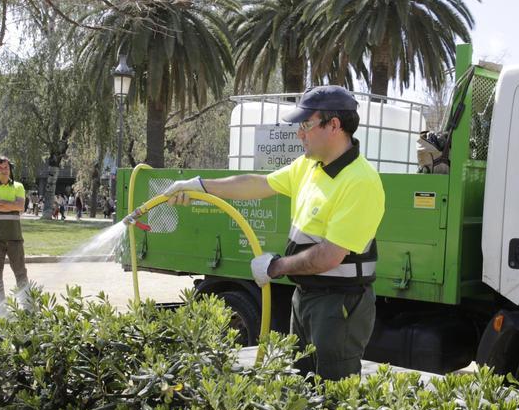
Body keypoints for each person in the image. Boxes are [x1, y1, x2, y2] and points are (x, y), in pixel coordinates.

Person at [164, 86, 385, 380]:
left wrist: (275, 267)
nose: (300, 134)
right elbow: (258, 184)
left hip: (339, 306)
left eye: (306, 125)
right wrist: (201, 186)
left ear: (334, 125)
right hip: (306, 296)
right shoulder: (309, 167)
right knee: (300, 387)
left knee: (333, 397)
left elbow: (329, 256)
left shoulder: (360, 182)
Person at [0, 155, 29, 302]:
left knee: (21, 274)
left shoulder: (19, 186)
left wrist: (2, 203)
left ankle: (28, 307)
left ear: (10, 169)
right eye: (0, 167)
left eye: (6, 167)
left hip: (15, 238)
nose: (4, 170)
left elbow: (20, 206)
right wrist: (12, 204)